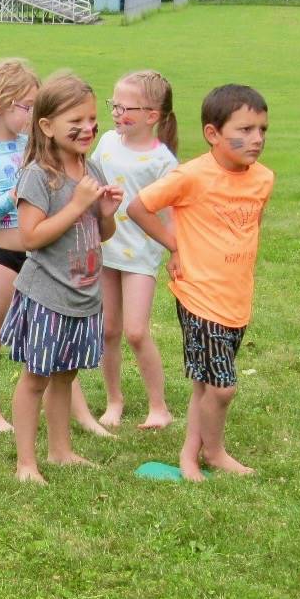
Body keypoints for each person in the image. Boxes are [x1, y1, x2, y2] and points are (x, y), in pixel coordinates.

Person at [127, 83, 273, 482]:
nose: (256, 139)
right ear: (212, 134)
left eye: (262, 129)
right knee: (223, 388)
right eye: (243, 130)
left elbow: (251, 228)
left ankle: (192, 456)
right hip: (198, 297)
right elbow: (139, 207)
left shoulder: (263, 179)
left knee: (207, 383)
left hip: (236, 298)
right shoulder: (190, 176)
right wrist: (174, 244)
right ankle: (214, 451)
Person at [0, 61, 109, 436]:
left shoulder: (34, 147)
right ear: (0, 103)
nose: (32, 114)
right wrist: (13, 197)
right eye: (26, 106)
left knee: (56, 341)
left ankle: (81, 415)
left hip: (43, 256)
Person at [0, 72, 123, 484]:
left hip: (84, 294)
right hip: (47, 295)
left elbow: (101, 236)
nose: (88, 128)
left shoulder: (92, 169)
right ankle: (26, 463)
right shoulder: (38, 175)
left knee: (65, 376)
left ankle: (61, 452)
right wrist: (78, 204)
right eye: (77, 121)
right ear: (47, 127)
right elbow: (30, 237)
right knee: (36, 378)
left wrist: (105, 214)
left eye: (92, 119)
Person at [91, 71, 180, 430]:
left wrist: (176, 252)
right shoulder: (108, 143)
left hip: (141, 258)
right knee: (108, 330)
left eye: (124, 107)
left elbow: (173, 216)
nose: (115, 112)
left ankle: (158, 407)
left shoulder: (164, 162)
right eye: (113, 104)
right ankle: (114, 400)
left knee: (136, 332)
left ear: (152, 116)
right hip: (105, 248)